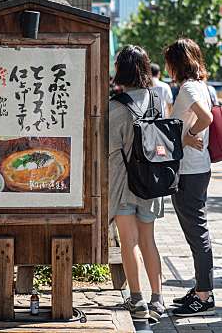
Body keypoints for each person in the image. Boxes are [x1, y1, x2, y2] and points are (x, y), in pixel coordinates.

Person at [109, 45, 164, 322]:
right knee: (148, 240)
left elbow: (108, 148)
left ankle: (137, 300)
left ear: (121, 69)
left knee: (128, 242)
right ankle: (158, 299)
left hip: (123, 184)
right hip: (153, 182)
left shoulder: (115, 107)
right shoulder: (156, 100)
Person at [164, 38, 214, 317]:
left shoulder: (188, 87)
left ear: (178, 63)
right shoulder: (201, 86)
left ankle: (204, 296)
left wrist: (189, 135)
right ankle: (200, 289)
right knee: (195, 231)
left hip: (191, 170)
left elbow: (206, 118)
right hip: (197, 168)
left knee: (197, 232)